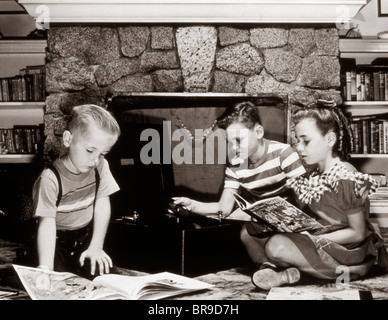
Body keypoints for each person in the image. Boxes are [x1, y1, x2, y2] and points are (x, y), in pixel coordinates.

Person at [251, 100, 388, 291]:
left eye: (306, 141)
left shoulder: (345, 176)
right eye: (297, 141)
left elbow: (358, 232)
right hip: (324, 239)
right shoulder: (314, 174)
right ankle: (294, 272)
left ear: (330, 140)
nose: (299, 148)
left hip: (348, 247)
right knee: (249, 233)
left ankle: (347, 272)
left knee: (277, 246)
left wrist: (314, 240)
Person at [174, 101, 306, 263]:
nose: (234, 147)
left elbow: (306, 199)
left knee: (272, 241)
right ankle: (268, 268)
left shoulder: (284, 154)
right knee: (245, 232)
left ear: (258, 132)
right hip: (264, 226)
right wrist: (192, 205)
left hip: (293, 227)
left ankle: (279, 267)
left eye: (239, 140)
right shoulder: (236, 164)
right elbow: (224, 208)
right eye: (229, 142)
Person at [32, 104, 121, 279]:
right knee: (52, 279)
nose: (96, 160)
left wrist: (96, 246)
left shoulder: (101, 167)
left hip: (83, 238)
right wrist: (46, 268)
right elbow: (47, 224)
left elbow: (102, 204)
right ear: (67, 139)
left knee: (106, 275)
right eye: (90, 150)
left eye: (103, 153)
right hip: (54, 240)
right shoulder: (50, 179)